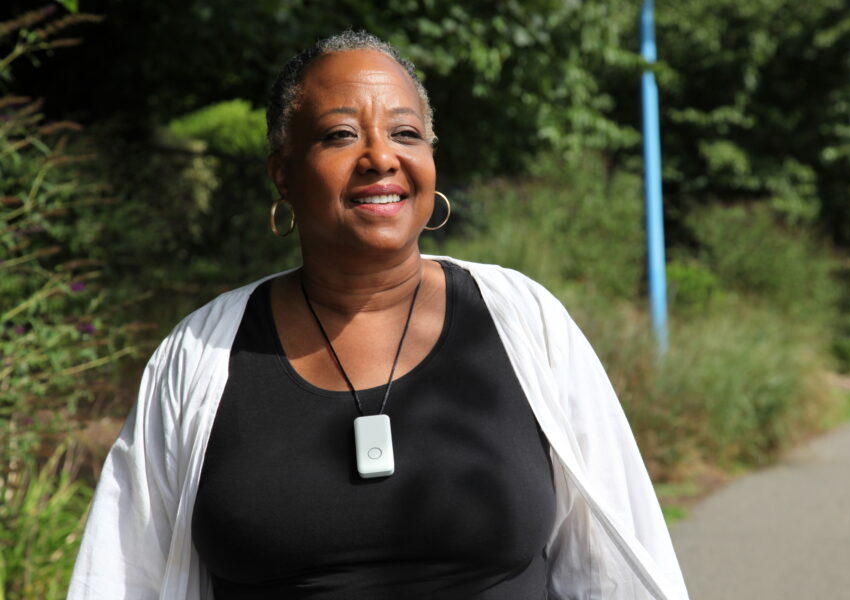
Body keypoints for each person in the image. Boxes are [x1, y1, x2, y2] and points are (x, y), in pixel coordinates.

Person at [68, 31, 689, 600]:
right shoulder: (199, 355)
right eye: (340, 135)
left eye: (406, 133)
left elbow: (609, 561)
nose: (380, 158)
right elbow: (124, 574)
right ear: (283, 174)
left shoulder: (523, 320)